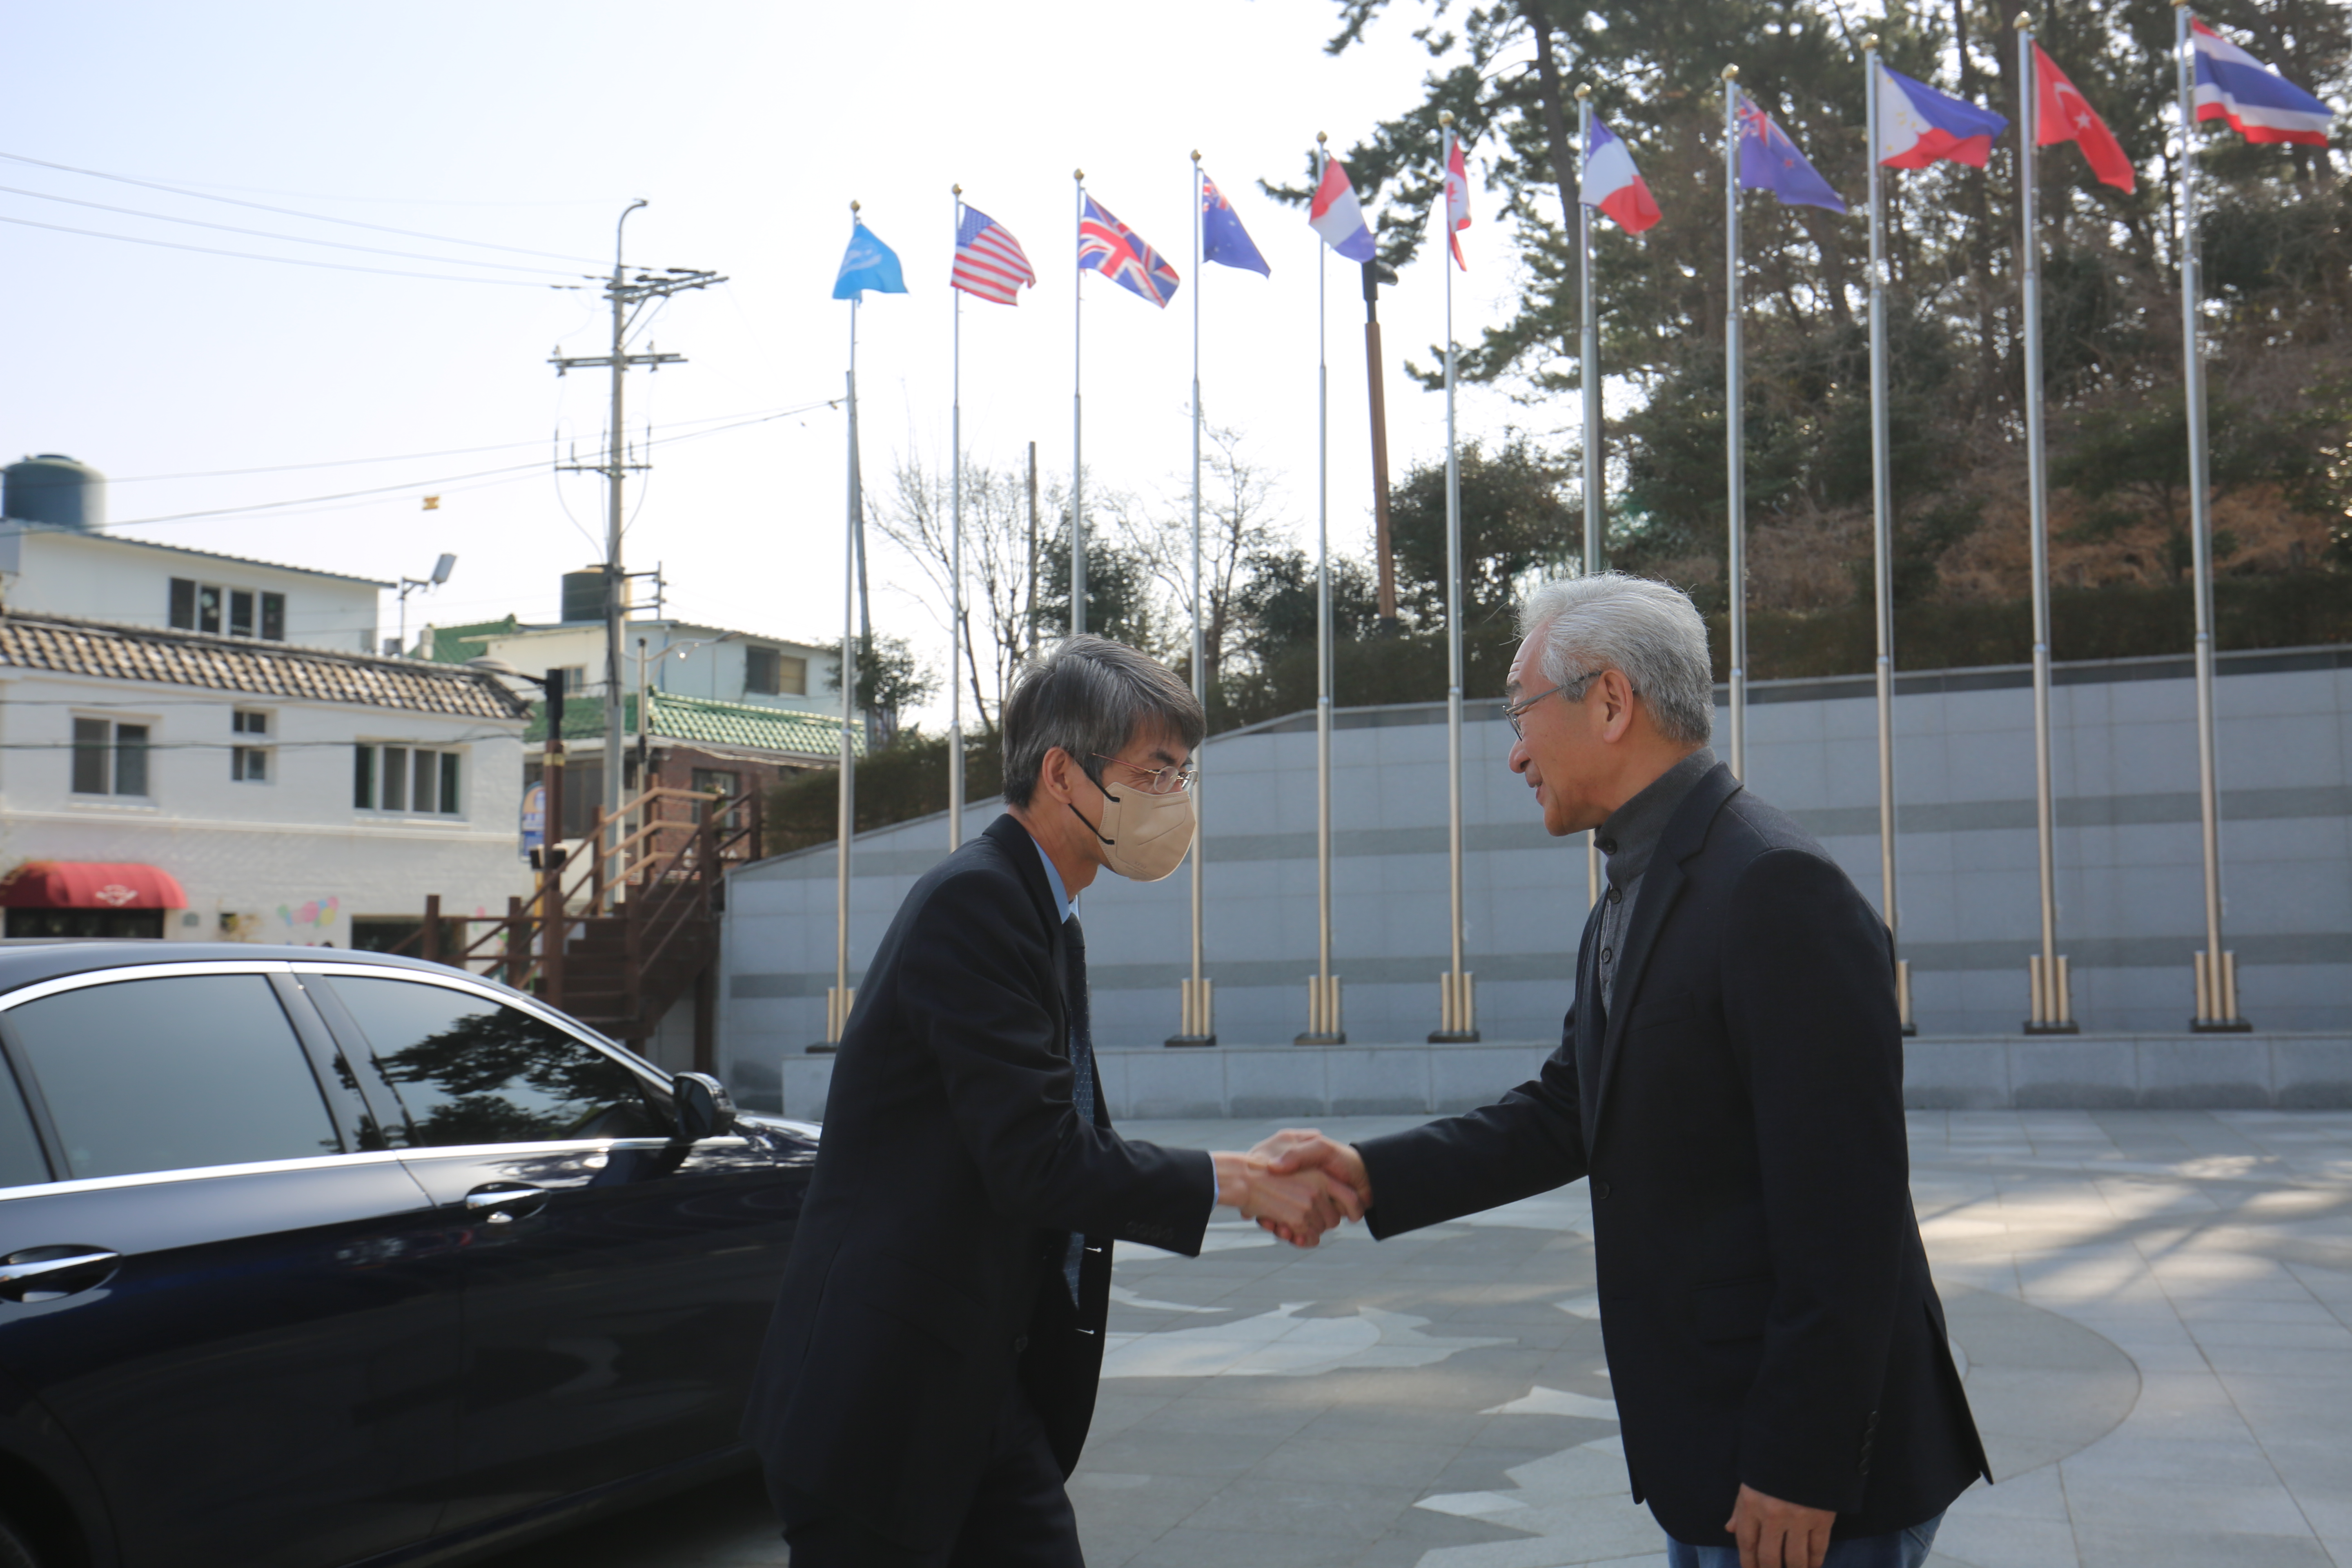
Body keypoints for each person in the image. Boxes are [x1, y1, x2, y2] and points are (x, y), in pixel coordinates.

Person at [1262, 574, 1988, 1568]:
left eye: (1520, 713)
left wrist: (1800, 1464)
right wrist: (1366, 1171)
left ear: (1609, 701)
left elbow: (1848, 1218)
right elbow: (1568, 1111)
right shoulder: (1637, 888)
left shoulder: (1775, 888)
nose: (1514, 751)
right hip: (1715, 1458)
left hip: (1810, 1488)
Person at [742, 634, 1359, 1568]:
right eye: (1157, 770)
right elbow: (1038, 1158)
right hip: (885, 1403)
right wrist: (1238, 1179)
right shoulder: (976, 904)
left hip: (976, 1388)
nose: (1176, 799)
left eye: (1184, 774)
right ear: (1064, 774)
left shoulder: (1041, 916)